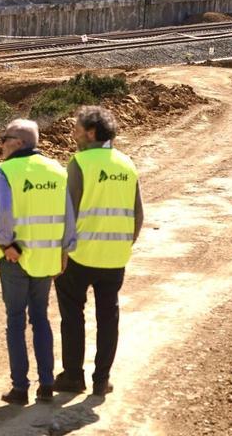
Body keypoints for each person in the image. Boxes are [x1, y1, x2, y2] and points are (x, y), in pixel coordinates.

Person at [54, 106, 143, 397]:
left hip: (80, 255)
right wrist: (122, 245)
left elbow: (68, 212)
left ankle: (73, 377)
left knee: (72, 315)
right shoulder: (127, 164)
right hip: (114, 258)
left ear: (91, 133)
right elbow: (138, 215)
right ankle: (101, 380)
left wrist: (61, 251)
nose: (73, 133)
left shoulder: (79, 163)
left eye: (76, 128)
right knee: (108, 316)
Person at [0, 119, 75, 405]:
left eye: (4, 138)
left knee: (15, 321)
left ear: (19, 142)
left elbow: (4, 212)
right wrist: (64, 251)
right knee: (41, 319)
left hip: (15, 257)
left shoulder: (5, 171)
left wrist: (6, 244)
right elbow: (68, 216)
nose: (0, 144)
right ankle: (47, 384)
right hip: (46, 258)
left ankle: (20, 388)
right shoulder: (57, 170)